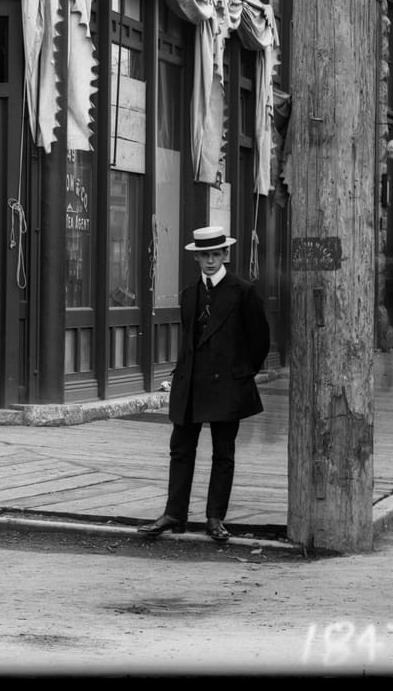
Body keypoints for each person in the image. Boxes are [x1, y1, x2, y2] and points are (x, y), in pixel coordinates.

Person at [138, 225, 272, 544]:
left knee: (223, 452)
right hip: (191, 385)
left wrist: (240, 373)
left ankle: (215, 518)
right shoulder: (189, 294)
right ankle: (174, 514)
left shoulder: (243, 291)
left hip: (227, 384)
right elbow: (190, 341)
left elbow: (260, 342)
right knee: (181, 449)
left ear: (226, 254)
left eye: (216, 254)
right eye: (204, 256)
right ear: (196, 258)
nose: (210, 261)